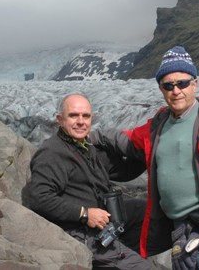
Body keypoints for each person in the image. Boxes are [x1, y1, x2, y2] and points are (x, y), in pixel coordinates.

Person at [91, 46, 199, 269]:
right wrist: (90, 135)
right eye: (168, 85)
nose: (176, 90)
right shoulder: (158, 126)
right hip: (179, 235)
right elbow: (128, 140)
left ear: (194, 83)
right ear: (161, 88)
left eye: (182, 83)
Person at [28, 94, 151, 270]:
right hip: (80, 233)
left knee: (143, 210)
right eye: (73, 116)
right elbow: (40, 198)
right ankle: (114, 258)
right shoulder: (52, 153)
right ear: (60, 120)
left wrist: (148, 149)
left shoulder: (85, 147)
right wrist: (84, 214)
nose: (81, 121)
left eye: (85, 116)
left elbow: (123, 171)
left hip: (102, 222)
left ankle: (118, 254)